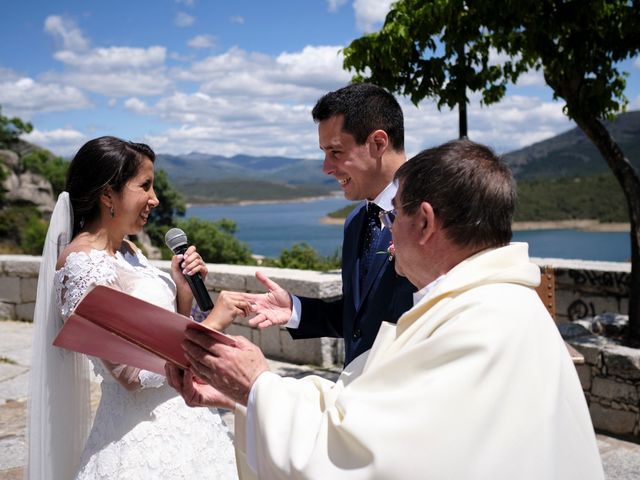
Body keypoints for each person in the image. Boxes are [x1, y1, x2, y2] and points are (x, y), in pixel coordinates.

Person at [167, 139, 604, 479]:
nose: (389, 236)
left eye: (395, 215)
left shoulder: (484, 324)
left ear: (426, 222)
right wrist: (245, 397)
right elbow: (365, 406)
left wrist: (258, 385)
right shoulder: (476, 304)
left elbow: (375, 456)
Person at [27, 136, 242, 479]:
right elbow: (131, 374)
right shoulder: (82, 265)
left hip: (187, 420)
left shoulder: (127, 250)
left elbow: (164, 335)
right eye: (145, 186)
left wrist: (184, 292)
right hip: (140, 436)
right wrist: (212, 324)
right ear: (108, 194)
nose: (155, 199)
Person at [248, 83, 415, 367]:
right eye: (324, 152)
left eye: (335, 152)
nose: (326, 167)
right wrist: (294, 309)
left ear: (378, 143)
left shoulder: (432, 217)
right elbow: (360, 317)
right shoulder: (355, 222)